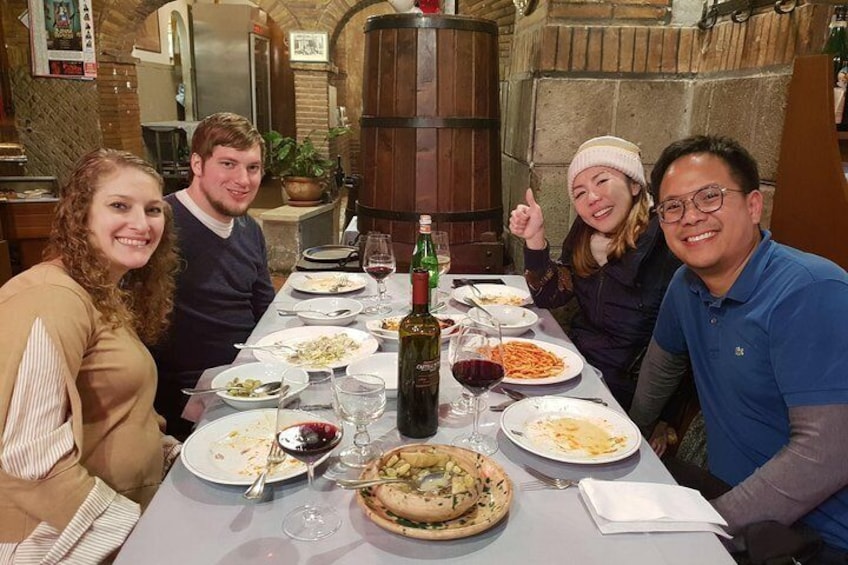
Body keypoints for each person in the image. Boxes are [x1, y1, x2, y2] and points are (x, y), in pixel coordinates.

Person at [630, 135, 848, 562]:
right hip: (726, 494)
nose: (690, 217)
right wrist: (626, 444)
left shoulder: (811, 291)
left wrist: (707, 527)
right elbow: (660, 368)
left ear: (753, 206)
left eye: (709, 198)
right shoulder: (685, 285)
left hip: (812, 537)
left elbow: (827, 452)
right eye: (672, 207)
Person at [0, 149, 180, 562]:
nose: (141, 223)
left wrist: (173, 455)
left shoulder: (100, 292)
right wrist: (139, 533)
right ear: (80, 214)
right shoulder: (50, 299)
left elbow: (118, 412)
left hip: (133, 507)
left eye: (153, 210)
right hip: (65, 541)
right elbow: (30, 458)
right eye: (120, 205)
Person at [509, 135, 681, 412]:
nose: (592, 197)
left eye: (602, 181)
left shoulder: (665, 241)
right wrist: (535, 239)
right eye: (579, 192)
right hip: (580, 371)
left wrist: (665, 418)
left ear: (635, 184)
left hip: (629, 393)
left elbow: (683, 346)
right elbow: (551, 295)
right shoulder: (585, 232)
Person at [151, 112, 275, 439]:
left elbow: (267, 314)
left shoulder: (249, 229)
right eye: (228, 164)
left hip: (251, 381)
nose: (244, 180)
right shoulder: (157, 227)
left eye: (253, 167)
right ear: (197, 164)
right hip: (190, 400)